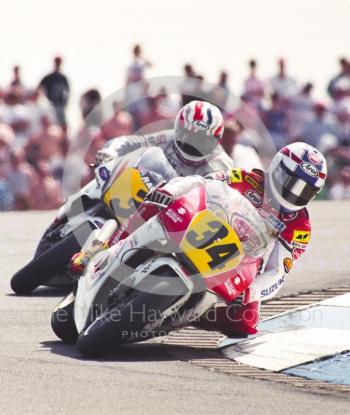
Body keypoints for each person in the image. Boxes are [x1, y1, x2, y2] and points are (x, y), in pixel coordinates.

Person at [72, 142, 327, 337]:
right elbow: (201, 182)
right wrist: (171, 190)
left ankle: (181, 315)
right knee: (155, 203)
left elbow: (277, 272)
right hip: (199, 229)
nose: (293, 193)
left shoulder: (300, 226)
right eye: (289, 182)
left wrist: (252, 291)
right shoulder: (247, 178)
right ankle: (107, 245)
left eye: (303, 190)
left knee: (246, 322)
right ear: (276, 168)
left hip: (237, 267)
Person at [96, 100, 233, 176]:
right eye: (189, 136)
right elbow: (133, 142)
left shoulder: (221, 164)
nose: (192, 145)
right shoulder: (167, 138)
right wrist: (111, 152)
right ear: (178, 129)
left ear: (216, 140)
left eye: (200, 141)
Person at [39, 56, 70, 128]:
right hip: (50, 105)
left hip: (60, 105)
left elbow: (67, 91)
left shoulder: (63, 78)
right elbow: (39, 87)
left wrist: (65, 102)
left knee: (62, 124)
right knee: (52, 124)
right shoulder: (49, 77)